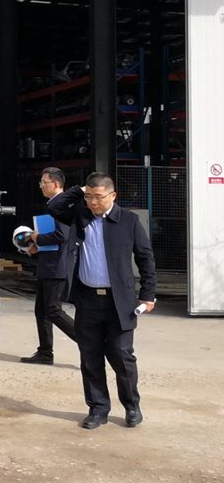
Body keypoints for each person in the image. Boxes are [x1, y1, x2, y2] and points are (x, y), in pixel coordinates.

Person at [48, 172, 156, 430]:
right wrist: (78, 190)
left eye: (98, 197)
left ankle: (132, 406)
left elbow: (145, 257)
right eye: (89, 197)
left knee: (122, 355)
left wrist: (148, 294)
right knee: (90, 356)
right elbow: (54, 207)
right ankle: (98, 408)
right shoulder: (80, 216)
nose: (93, 202)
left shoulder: (128, 221)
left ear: (113, 196)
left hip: (119, 302)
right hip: (87, 299)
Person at [20, 167, 78, 365]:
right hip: (48, 264)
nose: (41, 186)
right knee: (42, 311)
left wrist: (38, 238)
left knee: (53, 310)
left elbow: (62, 236)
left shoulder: (62, 205)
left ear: (57, 184)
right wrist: (37, 246)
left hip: (57, 267)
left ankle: (89, 343)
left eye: (44, 182)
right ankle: (45, 352)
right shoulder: (53, 204)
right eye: (41, 182)